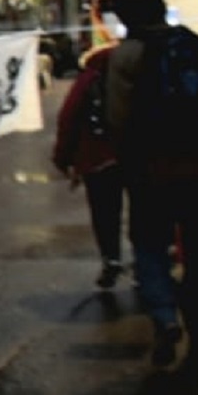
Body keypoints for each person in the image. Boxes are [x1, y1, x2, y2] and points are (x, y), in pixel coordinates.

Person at [103, 0, 198, 376]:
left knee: (148, 244)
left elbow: (118, 118)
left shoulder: (126, 55)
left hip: (154, 169)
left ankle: (165, 317)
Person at [52, 43, 130, 291]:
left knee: (105, 212)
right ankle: (147, 264)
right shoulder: (138, 73)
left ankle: (112, 258)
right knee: (144, 212)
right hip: (138, 156)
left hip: (98, 157)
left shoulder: (89, 78)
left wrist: (63, 158)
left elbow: (69, 117)